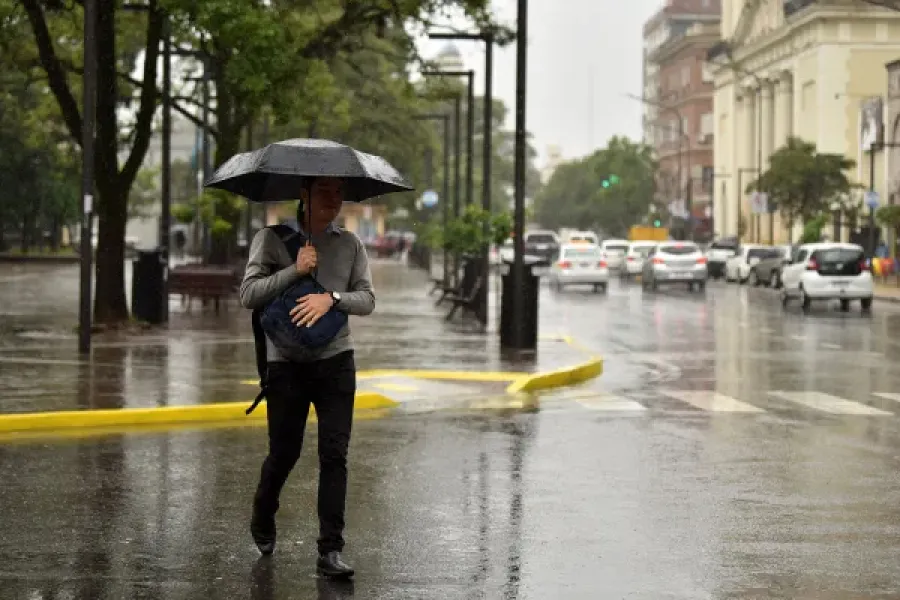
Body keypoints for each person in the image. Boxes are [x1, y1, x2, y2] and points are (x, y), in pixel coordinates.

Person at [239, 177, 374, 578]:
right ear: (304, 195)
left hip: (336, 360)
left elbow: (367, 299)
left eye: (339, 192)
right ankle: (264, 509)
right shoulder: (272, 239)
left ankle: (329, 550)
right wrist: (295, 271)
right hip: (286, 364)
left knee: (335, 455)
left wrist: (331, 298)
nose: (335, 200)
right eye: (326, 192)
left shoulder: (350, 244)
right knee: (285, 452)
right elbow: (248, 295)